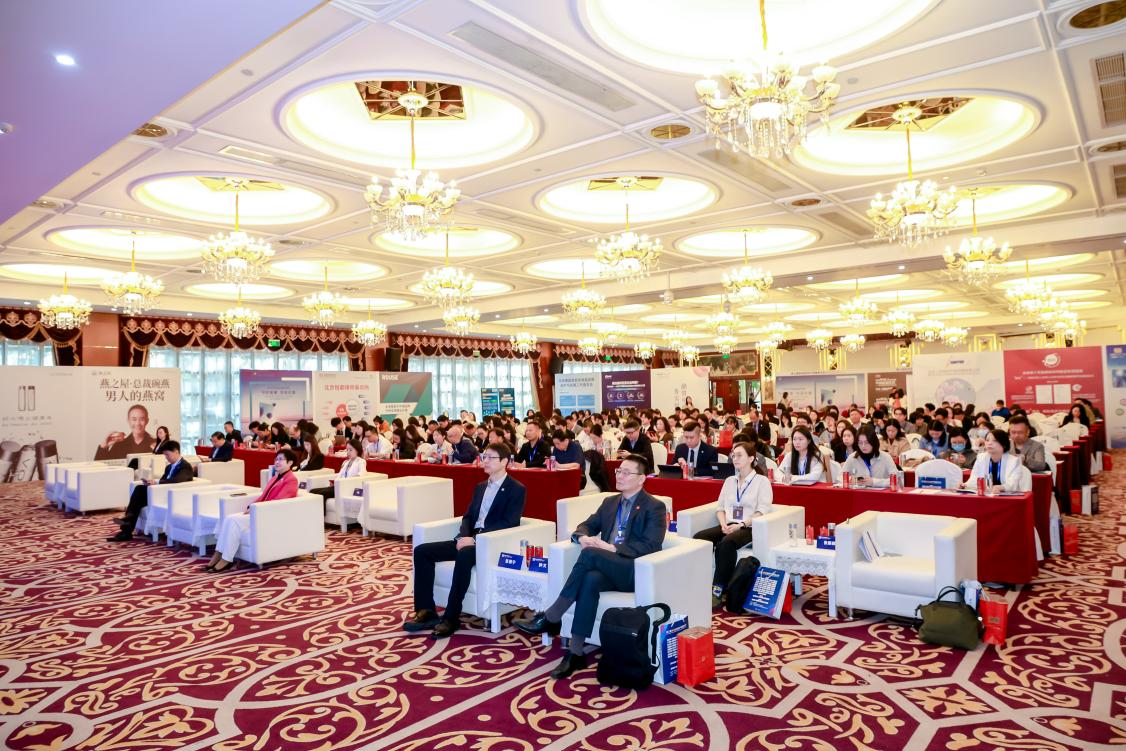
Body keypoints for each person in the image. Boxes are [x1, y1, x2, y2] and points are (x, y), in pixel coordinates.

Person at [514, 454, 666, 680]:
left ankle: (552, 616)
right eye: (619, 471)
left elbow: (651, 544)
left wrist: (612, 548)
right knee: (589, 580)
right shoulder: (610, 502)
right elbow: (586, 525)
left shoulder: (654, 506)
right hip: (607, 568)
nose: (620, 476)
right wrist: (582, 537)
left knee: (591, 554)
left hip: (634, 570)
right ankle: (576, 652)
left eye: (626, 473)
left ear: (642, 478)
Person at [404, 443, 526, 639]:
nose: (485, 461)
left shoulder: (516, 489)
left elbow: (509, 523)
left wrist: (475, 540)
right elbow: (468, 517)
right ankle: (426, 611)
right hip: (469, 539)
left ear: (504, 461)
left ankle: (451, 617)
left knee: (464, 554)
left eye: (491, 458)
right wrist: (464, 536)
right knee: (422, 551)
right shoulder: (480, 487)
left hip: (491, 543)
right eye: (484, 456)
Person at [693, 442, 772, 606]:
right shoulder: (729, 480)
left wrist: (741, 524)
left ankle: (718, 591)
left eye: (739, 455)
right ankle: (698, 584)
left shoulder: (762, 481)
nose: (735, 458)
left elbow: (762, 511)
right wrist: (723, 524)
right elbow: (720, 508)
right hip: (728, 524)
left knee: (726, 544)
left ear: (751, 458)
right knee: (699, 538)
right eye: (733, 455)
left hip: (749, 527)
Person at [204, 448, 299, 571]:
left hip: (269, 514)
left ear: (290, 463)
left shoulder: (291, 480)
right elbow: (263, 496)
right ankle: (218, 555)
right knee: (228, 519)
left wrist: (256, 509)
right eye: (276, 459)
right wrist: (251, 506)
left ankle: (226, 559)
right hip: (260, 511)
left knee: (233, 521)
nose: (277, 462)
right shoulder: (276, 476)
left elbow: (279, 502)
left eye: (281, 459)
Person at [108, 440, 194, 541]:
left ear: (176, 451)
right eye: (165, 455)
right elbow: (164, 481)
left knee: (139, 491)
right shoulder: (169, 467)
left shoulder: (185, 466)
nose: (166, 457)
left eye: (167, 455)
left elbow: (178, 480)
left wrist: (156, 482)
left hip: (171, 496)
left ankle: (127, 523)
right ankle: (126, 529)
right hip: (160, 493)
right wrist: (152, 483)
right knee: (139, 492)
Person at [965, 429, 1031, 492]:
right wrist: (965, 485)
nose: (989, 443)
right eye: (987, 440)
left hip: (1005, 495)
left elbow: (1013, 483)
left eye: (995, 440)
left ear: (1004, 444)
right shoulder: (981, 458)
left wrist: (1002, 487)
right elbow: (974, 478)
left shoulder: (1014, 461)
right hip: (987, 494)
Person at [310, 439, 365, 504]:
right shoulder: (346, 462)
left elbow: (361, 475)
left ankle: (321, 510)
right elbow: (340, 474)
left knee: (322, 493)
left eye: (350, 450)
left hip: (346, 487)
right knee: (312, 491)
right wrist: (335, 482)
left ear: (357, 450)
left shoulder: (361, 461)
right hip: (338, 486)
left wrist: (347, 480)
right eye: (347, 450)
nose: (348, 452)